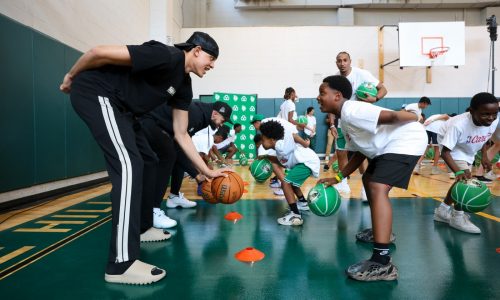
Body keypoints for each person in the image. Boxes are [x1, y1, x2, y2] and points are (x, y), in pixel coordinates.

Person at [59, 31, 228, 285]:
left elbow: (181, 135)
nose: (212, 64)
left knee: (149, 160)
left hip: (125, 111)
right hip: (97, 93)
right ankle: (121, 264)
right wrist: (71, 77)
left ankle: (142, 227)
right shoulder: (166, 55)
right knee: (129, 167)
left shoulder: (184, 85)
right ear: (195, 50)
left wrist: (207, 170)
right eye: (211, 57)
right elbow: (97, 52)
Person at [317, 75, 426, 281]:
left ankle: (382, 261)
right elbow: (359, 152)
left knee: (377, 186)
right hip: (388, 146)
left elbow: (393, 117)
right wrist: (338, 177)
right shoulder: (345, 120)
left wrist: (415, 116)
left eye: (322, 93)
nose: (318, 97)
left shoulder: (352, 110)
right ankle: (382, 232)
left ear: (338, 96)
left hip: (407, 140)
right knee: (369, 179)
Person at [141, 101, 233, 228]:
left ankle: (174, 197)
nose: (221, 125)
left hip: (157, 124)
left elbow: (182, 148)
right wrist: (200, 174)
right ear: (215, 113)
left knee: (175, 154)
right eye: (222, 120)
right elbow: (181, 145)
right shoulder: (196, 115)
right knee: (169, 154)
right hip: (146, 121)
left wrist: (197, 175)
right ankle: (153, 210)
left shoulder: (202, 116)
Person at [433, 92, 498, 234]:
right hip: (452, 148)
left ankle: (442, 211)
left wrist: (485, 157)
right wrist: (458, 171)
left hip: (467, 148)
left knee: (459, 182)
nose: (491, 118)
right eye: (486, 114)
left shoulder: (491, 121)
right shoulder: (458, 125)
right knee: (465, 179)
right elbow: (445, 152)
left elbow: (483, 138)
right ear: (472, 111)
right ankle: (457, 217)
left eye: (495, 114)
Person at [335, 51, 388, 199]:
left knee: (365, 153)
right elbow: (332, 101)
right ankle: (343, 183)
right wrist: (333, 124)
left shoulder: (362, 74)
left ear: (350, 61)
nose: (342, 63)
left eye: (345, 60)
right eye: (339, 61)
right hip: (343, 120)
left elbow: (383, 89)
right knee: (341, 152)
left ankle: (366, 187)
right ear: (336, 63)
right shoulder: (335, 79)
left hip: (361, 120)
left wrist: (375, 98)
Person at [260, 120, 320, 225]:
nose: (261, 142)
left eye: (263, 139)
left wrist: (305, 144)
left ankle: (295, 215)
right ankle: (302, 202)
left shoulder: (279, 144)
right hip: (306, 162)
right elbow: (282, 162)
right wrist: (266, 157)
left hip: (307, 162)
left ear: (272, 140)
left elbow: (293, 136)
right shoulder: (279, 149)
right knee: (291, 181)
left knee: (285, 182)